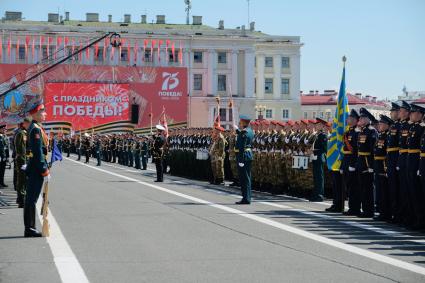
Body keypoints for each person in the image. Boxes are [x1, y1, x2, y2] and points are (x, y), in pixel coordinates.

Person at [24, 103, 50, 237]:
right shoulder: (35, 129)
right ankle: (29, 228)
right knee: (31, 199)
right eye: (43, 112)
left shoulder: (36, 127)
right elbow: (38, 152)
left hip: (35, 167)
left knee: (31, 198)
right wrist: (44, 169)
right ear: (36, 113)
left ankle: (30, 227)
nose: (45, 114)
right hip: (36, 168)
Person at [406, 103, 425, 229]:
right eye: (411, 113)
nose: (411, 114)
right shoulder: (414, 127)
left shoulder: (421, 128)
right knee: (413, 193)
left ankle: (420, 221)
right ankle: (416, 220)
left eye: (414, 113)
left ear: (420, 115)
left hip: (417, 163)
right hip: (414, 162)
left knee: (419, 194)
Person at [356, 108, 377, 218]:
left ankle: (369, 210)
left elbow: (373, 149)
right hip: (361, 162)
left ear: (368, 119)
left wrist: (371, 165)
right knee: (363, 187)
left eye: (363, 118)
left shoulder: (371, 131)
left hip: (367, 163)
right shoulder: (362, 131)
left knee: (368, 188)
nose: (361, 120)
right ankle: (365, 209)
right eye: (360, 118)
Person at [373, 115, 392, 221]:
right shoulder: (380, 136)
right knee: (380, 190)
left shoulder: (387, 136)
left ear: (387, 125)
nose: (379, 125)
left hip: (383, 165)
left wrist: (385, 167)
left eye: (382, 124)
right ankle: (381, 211)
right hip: (377, 165)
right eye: (379, 123)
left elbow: (387, 153)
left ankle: (386, 213)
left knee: (384, 191)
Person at [234, 115, 254, 205]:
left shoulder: (244, 132)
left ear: (243, 123)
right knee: (247, 178)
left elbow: (242, 146)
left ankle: (246, 198)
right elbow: (242, 135)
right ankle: (247, 197)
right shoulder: (249, 131)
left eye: (240, 122)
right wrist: (237, 130)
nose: (240, 124)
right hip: (248, 156)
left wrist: (241, 160)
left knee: (244, 178)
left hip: (243, 157)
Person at [310, 118, 329, 202]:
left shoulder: (323, 135)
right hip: (314, 156)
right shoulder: (317, 135)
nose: (317, 126)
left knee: (319, 177)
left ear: (322, 126)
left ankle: (320, 194)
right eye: (316, 125)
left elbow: (325, 148)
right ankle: (316, 193)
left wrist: (315, 151)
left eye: (319, 125)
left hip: (319, 157)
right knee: (315, 176)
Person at [14, 118, 31, 207]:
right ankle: (21, 200)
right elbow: (21, 149)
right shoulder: (21, 134)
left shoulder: (25, 133)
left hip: (25, 159)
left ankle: (20, 198)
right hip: (22, 160)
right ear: (24, 124)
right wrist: (24, 162)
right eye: (28, 124)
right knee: (22, 180)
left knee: (23, 180)